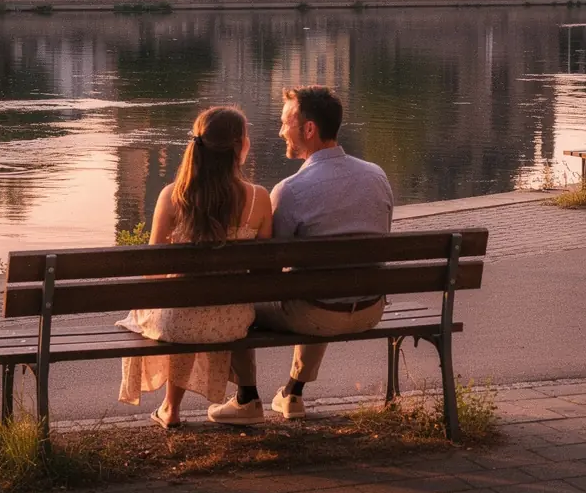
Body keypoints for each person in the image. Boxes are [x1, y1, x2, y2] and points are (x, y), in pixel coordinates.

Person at [208, 86, 394, 425]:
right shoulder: (377, 176)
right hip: (370, 309)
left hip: (316, 312)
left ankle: (247, 398)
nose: (280, 132)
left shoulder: (291, 190)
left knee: (233, 296)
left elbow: (267, 272)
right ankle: (292, 393)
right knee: (322, 282)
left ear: (308, 129)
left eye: (285, 124)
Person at [117, 107, 272, 428]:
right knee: (200, 308)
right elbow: (264, 273)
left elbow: (152, 271)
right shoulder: (259, 198)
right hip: (232, 321)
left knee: (178, 308)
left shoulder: (173, 197)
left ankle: (170, 409)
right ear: (240, 145)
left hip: (178, 323)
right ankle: (219, 397)